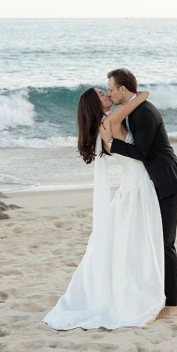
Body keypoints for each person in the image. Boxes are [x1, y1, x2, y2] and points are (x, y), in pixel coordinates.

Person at [42, 87, 165, 330]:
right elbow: (139, 99)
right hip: (138, 185)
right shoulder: (110, 120)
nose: (107, 95)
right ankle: (137, 294)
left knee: (128, 242)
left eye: (105, 90)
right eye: (101, 94)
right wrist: (140, 93)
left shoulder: (103, 124)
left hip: (132, 185)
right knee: (137, 241)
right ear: (94, 105)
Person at [102, 68, 177, 319]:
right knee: (154, 242)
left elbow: (141, 152)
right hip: (153, 183)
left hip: (168, 182)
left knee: (165, 243)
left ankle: (174, 304)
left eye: (110, 88)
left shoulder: (145, 112)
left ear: (122, 89)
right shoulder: (134, 109)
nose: (108, 92)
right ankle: (158, 297)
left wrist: (111, 143)